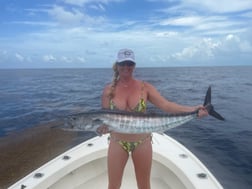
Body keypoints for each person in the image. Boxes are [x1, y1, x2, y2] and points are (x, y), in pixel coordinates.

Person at [100, 48, 208, 189]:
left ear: (134, 66)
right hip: (117, 142)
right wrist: (102, 128)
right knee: (113, 186)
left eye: (130, 64)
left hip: (142, 142)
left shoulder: (145, 88)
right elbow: (104, 118)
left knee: (144, 186)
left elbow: (166, 105)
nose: (126, 67)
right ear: (117, 65)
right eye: (123, 63)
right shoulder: (108, 90)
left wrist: (193, 109)